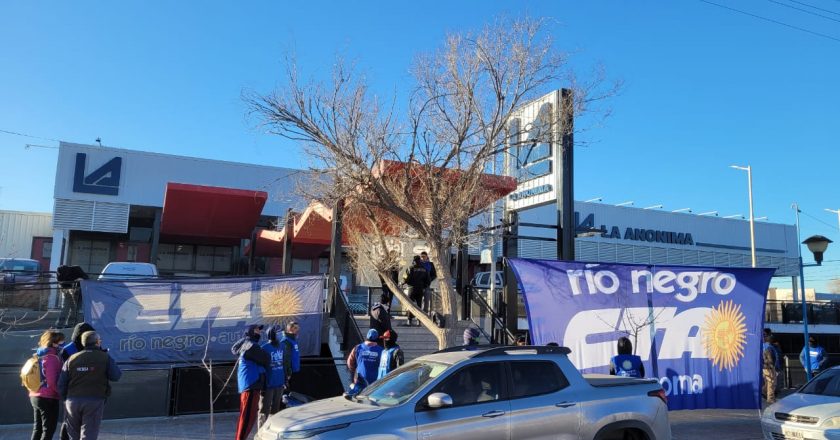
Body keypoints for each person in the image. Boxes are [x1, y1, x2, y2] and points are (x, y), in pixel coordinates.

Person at [58, 331, 121, 440]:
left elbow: (61, 383)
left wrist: (66, 399)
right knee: (89, 434)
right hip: (94, 400)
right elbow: (115, 376)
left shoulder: (71, 359)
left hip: (72, 401)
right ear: (97, 342)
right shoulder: (104, 357)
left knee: (73, 435)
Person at [231, 324, 271, 440]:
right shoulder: (251, 346)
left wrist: (247, 337)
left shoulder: (247, 343)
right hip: (251, 385)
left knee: (245, 416)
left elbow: (234, 349)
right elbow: (266, 358)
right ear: (251, 332)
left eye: (260, 330)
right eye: (257, 330)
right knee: (247, 418)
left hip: (249, 385)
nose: (259, 332)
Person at [29, 330, 65, 440]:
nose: (63, 344)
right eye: (61, 341)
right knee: (48, 430)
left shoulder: (37, 355)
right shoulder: (52, 358)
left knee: (37, 428)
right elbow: (52, 381)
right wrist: (61, 394)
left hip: (34, 395)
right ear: (53, 343)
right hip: (48, 397)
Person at [258, 325, 285, 429]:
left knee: (276, 410)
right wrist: (262, 385)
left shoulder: (282, 346)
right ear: (272, 335)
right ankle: (260, 431)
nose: (280, 334)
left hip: (279, 383)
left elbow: (283, 363)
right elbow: (261, 368)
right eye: (278, 332)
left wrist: (285, 379)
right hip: (268, 385)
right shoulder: (264, 348)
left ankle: (272, 431)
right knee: (264, 411)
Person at [403, 256, 430, 327]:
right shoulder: (424, 269)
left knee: (410, 305)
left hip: (412, 288)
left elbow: (405, 278)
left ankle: (409, 320)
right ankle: (419, 321)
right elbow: (428, 281)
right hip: (420, 289)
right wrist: (424, 287)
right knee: (419, 305)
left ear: (413, 261)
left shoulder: (410, 268)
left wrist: (406, 282)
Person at [280, 321, 301, 391]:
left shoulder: (293, 340)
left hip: (294, 370)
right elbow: (286, 359)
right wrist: (288, 373)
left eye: (298, 328)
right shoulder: (286, 341)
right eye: (295, 328)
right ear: (290, 329)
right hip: (289, 372)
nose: (297, 330)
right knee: (286, 393)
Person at [763, 334, 781, 403]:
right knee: (771, 383)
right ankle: (770, 398)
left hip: (765, 367)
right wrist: (773, 367)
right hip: (770, 367)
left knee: (768, 382)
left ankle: (764, 392)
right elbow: (771, 358)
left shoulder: (765, 346)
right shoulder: (769, 347)